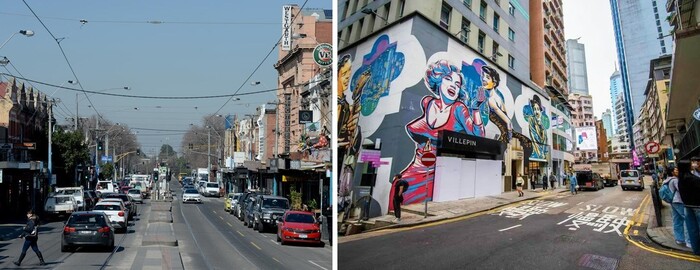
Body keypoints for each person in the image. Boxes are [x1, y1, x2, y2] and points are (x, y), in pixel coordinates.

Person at [664, 167, 690, 248]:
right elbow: (681, 190)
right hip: (678, 201)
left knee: (677, 220)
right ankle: (688, 241)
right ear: (672, 172)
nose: (678, 171)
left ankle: (679, 239)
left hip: (673, 202)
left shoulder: (668, 180)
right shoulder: (675, 180)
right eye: (676, 170)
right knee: (686, 219)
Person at [679, 160, 700, 255]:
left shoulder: (681, 179)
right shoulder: (694, 179)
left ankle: (697, 250)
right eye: (691, 164)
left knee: (692, 230)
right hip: (697, 206)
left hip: (687, 206)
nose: (693, 165)